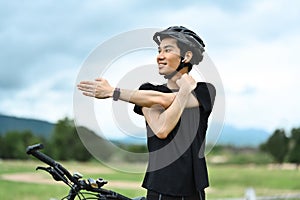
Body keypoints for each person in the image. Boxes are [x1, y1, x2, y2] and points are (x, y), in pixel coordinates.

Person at [77, 26, 216, 200]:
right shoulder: (147, 92)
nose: (160, 56)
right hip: (160, 187)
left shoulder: (205, 91)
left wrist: (114, 92)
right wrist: (183, 91)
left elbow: (164, 100)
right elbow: (162, 129)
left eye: (168, 50)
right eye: (159, 50)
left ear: (186, 56)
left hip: (194, 190)